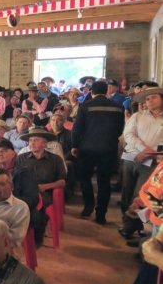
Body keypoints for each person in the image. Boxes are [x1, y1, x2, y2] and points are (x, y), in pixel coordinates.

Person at [71, 80, 125, 225]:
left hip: (87, 148)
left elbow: (77, 129)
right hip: (108, 149)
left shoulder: (86, 106)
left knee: (85, 177)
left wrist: (75, 145)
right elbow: (120, 130)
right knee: (104, 182)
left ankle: (88, 207)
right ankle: (101, 214)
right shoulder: (118, 107)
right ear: (107, 91)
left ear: (91, 92)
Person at [120, 86, 163, 228]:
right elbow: (129, 135)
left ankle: (135, 227)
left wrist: (150, 152)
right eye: (147, 98)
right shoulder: (138, 116)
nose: (149, 100)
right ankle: (126, 222)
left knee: (141, 195)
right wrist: (143, 149)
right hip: (131, 158)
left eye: (153, 97)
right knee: (126, 191)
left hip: (153, 161)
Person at [16, 127, 67, 244]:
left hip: (44, 192)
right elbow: (17, 177)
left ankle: (35, 235)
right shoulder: (22, 158)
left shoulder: (55, 160)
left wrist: (44, 187)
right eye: (30, 140)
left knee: (35, 205)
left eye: (36, 140)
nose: (32, 143)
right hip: (24, 192)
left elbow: (62, 181)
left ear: (44, 143)